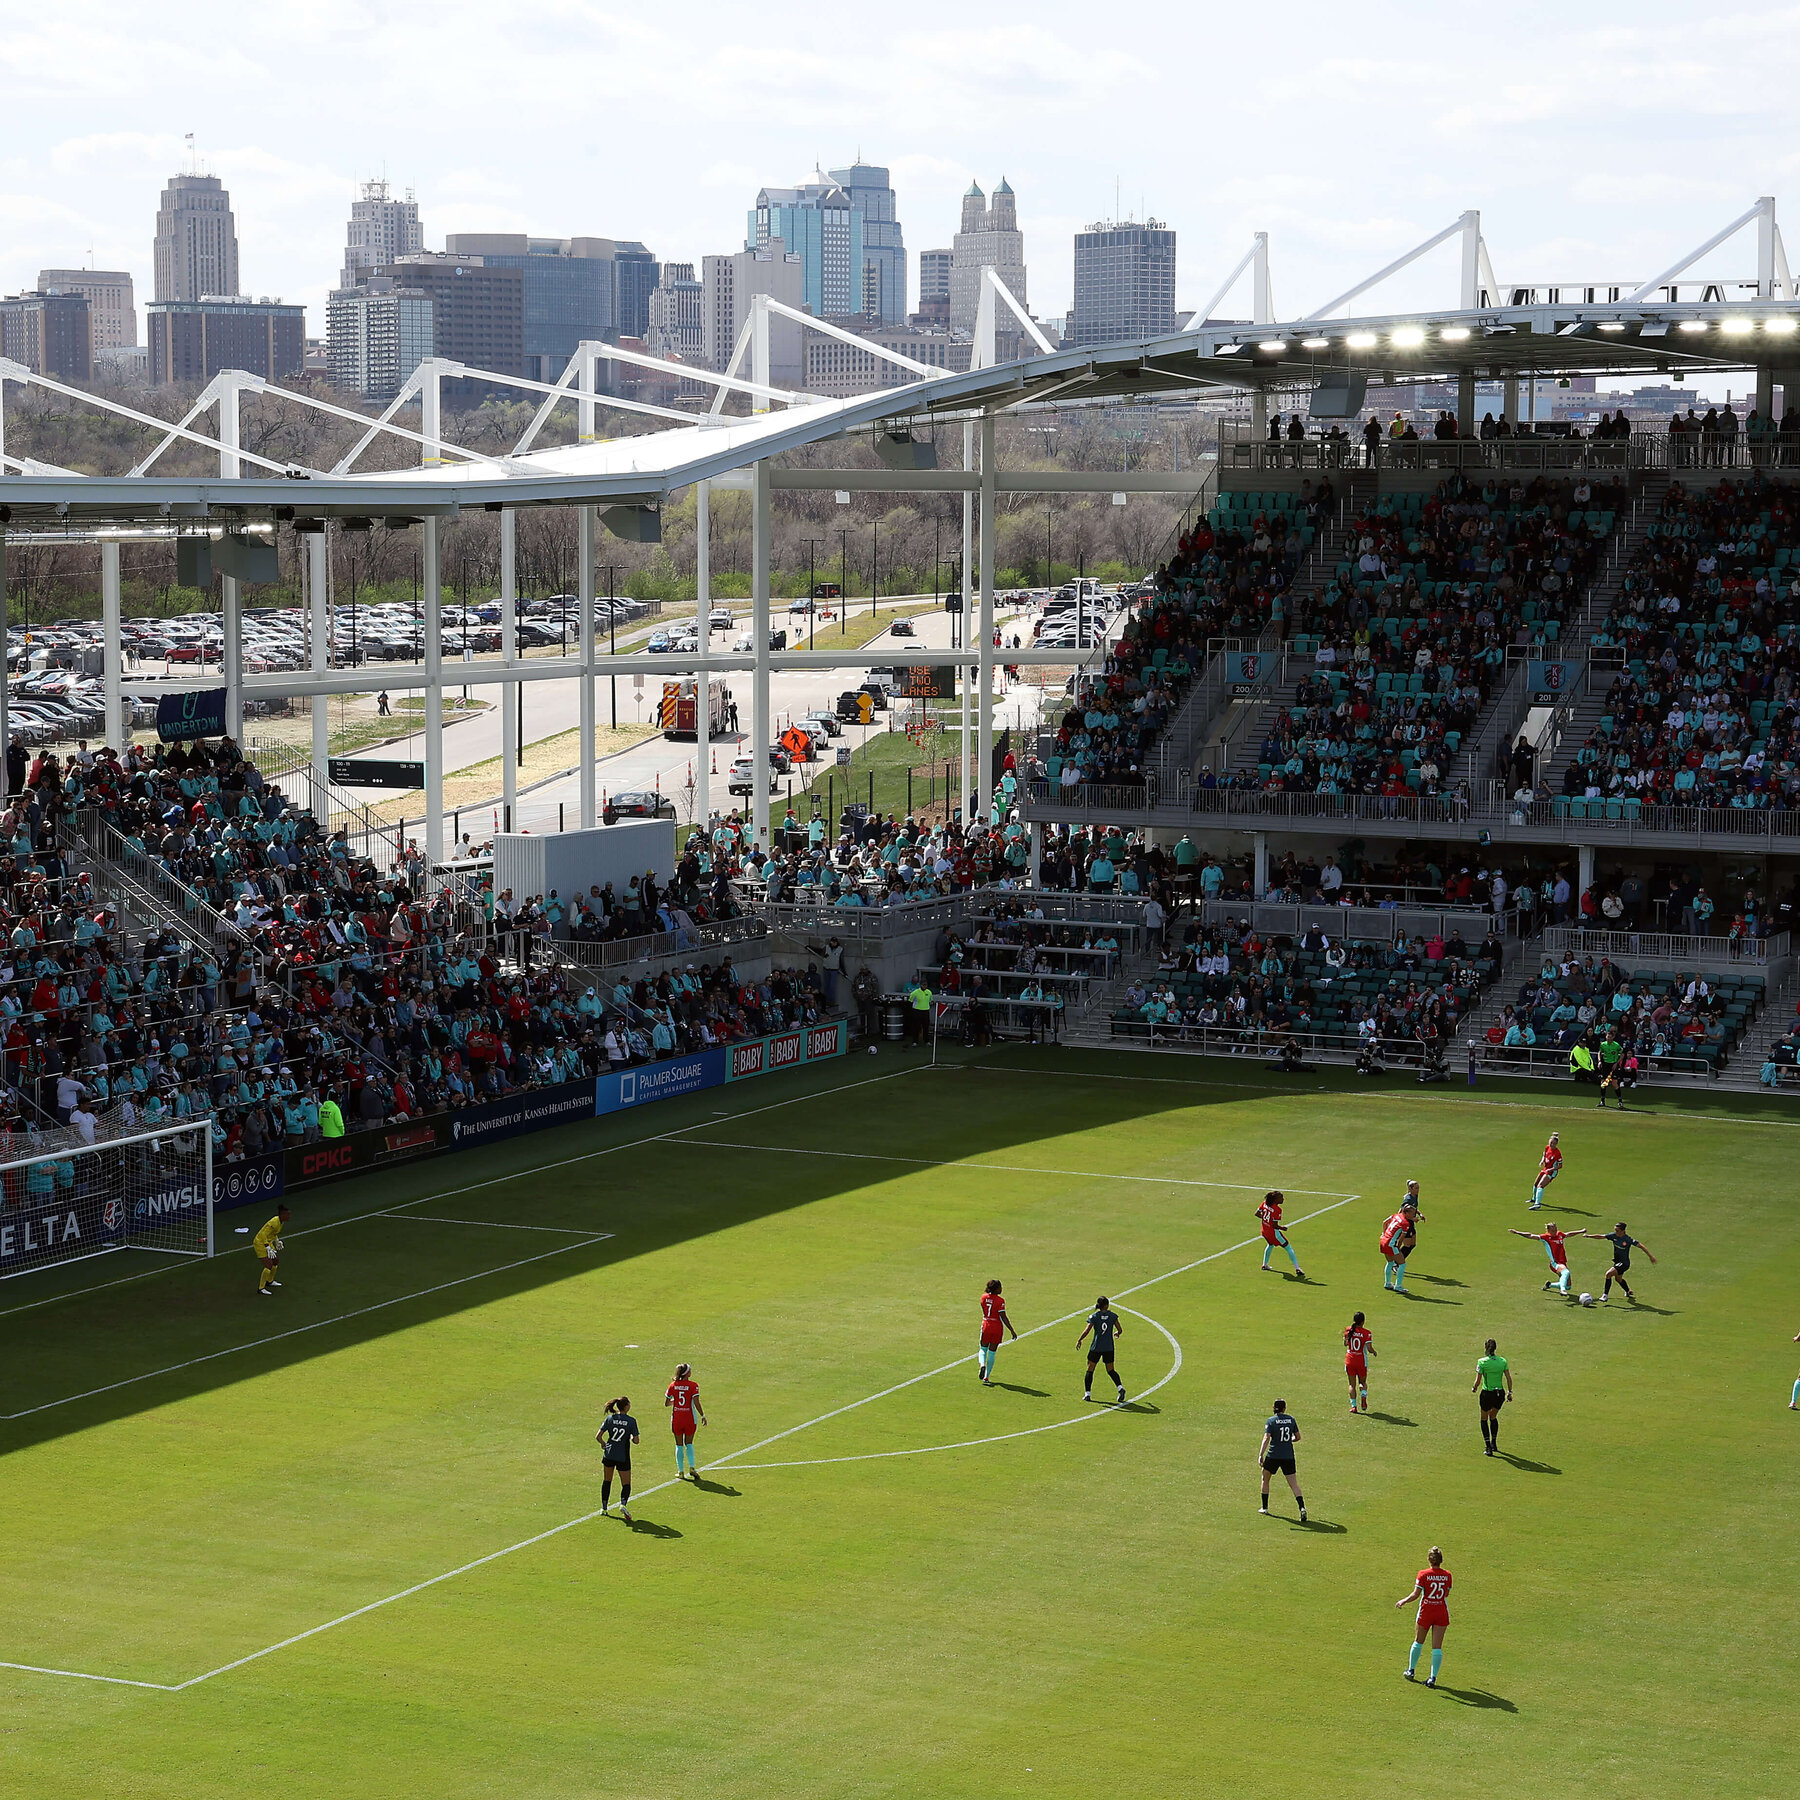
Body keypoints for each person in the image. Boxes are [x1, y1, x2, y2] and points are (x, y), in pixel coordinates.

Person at [1397, 1547, 1453, 1686]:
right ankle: (1432, 1678)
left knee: (1418, 1641)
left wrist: (1403, 1600)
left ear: (1429, 1559)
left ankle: (1411, 1670)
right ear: (1441, 1561)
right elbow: (1446, 1594)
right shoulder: (1447, 1575)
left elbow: (1416, 1595)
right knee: (1437, 1647)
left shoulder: (1423, 1574)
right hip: (1441, 1611)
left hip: (1426, 1611)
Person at [1258, 1397, 1305, 1520]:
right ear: (1284, 1408)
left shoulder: (1271, 1421)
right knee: (1294, 1484)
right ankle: (1302, 1508)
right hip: (1288, 1456)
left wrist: (1260, 1454)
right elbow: (1298, 1437)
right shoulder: (1291, 1420)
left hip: (1273, 1455)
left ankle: (1264, 1507)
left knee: (1265, 1479)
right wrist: (1290, 1440)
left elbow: (1266, 1438)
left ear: (1274, 1408)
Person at [596, 1395, 639, 1522]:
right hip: (623, 1456)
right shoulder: (631, 1421)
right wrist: (631, 1436)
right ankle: (623, 1504)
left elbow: (598, 1436)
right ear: (626, 1406)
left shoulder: (610, 1418)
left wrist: (603, 1444)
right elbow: (636, 1441)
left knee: (607, 1481)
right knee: (626, 1483)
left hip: (609, 1454)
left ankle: (604, 1508)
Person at [1077, 1296, 1127, 1403]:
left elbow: (1087, 1330)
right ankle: (1120, 1388)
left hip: (1096, 1347)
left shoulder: (1094, 1316)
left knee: (1090, 1369)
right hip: (1109, 1347)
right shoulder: (1113, 1316)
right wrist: (1117, 1333)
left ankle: (1087, 1394)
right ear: (1107, 1305)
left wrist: (1080, 1339)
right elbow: (1120, 1329)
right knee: (1111, 1370)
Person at [1596, 1221, 1656, 1304]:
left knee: (1608, 1274)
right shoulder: (1613, 1236)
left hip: (1624, 1263)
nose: (1616, 1232)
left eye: (1617, 1230)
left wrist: (1651, 1256)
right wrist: (1588, 1236)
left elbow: (1641, 1246)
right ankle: (1628, 1291)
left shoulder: (1627, 1239)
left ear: (1623, 1231)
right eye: (1615, 1230)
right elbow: (1602, 1236)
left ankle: (1605, 1295)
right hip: (1617, 1262)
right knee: (1618, 1279)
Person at [1511, 1221, 1574, 1297]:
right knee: (1566, 1272)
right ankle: (1563, 1290)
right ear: (1548, 1230)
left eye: (1556, 1229)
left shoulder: (1559, 1234)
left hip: (1563, 1262)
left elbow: (1568, 1234)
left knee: (1568, 1286)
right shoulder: (1545, 1237)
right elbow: (1530, 1235)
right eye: (1553, 1230)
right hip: (1555, 1263)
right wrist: (1517, 1232)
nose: (1555, 1232)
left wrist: (1581, 1231)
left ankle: (1550, 1285)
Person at [665, 1362, 706, 1478]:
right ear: (687, 1373)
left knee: (678, 1445)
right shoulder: (693, 1385)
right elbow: (696, 1402)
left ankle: (680, 1471)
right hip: (690, 1418)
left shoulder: (673, 1385)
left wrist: (676, 1401)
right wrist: (702, 1415)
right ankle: (692, 1467)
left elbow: (667, 1403)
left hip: (677, 1418)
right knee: (689, 1443)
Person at [1473, 1336, 1512, 1454]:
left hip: (1487, 1394)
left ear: (1486, 1348)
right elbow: (1509, 1378)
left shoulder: (1482, 1362)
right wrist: (1510, 1392)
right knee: (1493, 1417)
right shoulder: (1503, 1361)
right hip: (1499, 1394)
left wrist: (1474, 1388)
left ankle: (1488, 1446)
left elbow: (1478, 1381)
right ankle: (1494, 1443)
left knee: (1484, 1419)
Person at [1257, 1189, 1305, 1278]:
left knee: (1270, 1244)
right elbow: (1275, 1225)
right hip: (1274, 1233)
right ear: (1275, 1199)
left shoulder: (1264, 1203)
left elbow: (1257, 1213)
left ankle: (1265, 1264)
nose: (1283, 1199)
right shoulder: (1277, 1209)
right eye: (1281, 1198)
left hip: (1265, 1230)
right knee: (1288, 1247)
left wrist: (1265, 1219)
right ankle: (1297, 1268)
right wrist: (1282, 1227)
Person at [977, 1278, 1017, 1384]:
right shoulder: (1000, 1301)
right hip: (997, 1327)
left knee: (983, 1348)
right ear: (996, 1289)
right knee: (992, 1352)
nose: (1001, 1289)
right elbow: (1003, 1316)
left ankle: (982, 1365)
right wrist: (1012, 1330)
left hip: (986, 1324)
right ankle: (986, 1377)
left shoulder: (983, 1297)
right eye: (1000, 1287)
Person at [1382, 1186, 1421, 1291]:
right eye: (1412, 1214)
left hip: (1383, 1241)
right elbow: (1401, 1238)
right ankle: (1398, 1286)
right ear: (1407, 1213)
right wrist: (1398, 1249)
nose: (1413, 1216)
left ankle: (1387, 1283)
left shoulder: (1396, 1216)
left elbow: (1384, 1222)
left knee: (1390, 1262)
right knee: (1402, 1264)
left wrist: (1383, 1234)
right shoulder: (1405, 1224)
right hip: (1391, 1244)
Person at [252, 1204, 290, 1297]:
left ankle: (269, 1281)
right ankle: (261, 1288)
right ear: (282, 1215)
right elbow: (263, 1234)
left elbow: (273, 1234)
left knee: (275, 1261)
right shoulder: (274, 1222)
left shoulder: (281, 1223)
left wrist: (277, 1240)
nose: (289, 1216)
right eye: (287, 1214)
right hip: (260, 1243)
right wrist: (267, 1247)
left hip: (268, 1242)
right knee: (268, 1264)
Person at [1344, 1311, 1375, 1413]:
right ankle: (1363, 1397)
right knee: (1362, 1383)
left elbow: (1345, 1343)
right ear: (1363, 1321)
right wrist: (1374, 1352)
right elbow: (1369, 1349)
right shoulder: (1367, 1333)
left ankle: (1353, 1406)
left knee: (1351, 1385)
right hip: (1361, 1360)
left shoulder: (1348, 1330)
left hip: (1350, 1360)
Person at [1531, 1131, 1561, 1210]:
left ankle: (1537, 1204)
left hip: (1551, 1171)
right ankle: (1534, 1199)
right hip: (1545, 1169)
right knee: (1536, 1183)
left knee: (1540, 1185)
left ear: (1556, 1144)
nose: (1552, 1145)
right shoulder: (1547, 1147)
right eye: (1551, 1143)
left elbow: (1560, 1166)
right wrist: (1542, 1161)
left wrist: (1551, 1169)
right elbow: (1544, 1154)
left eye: (1554, 1143)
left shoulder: (1557, 1153)